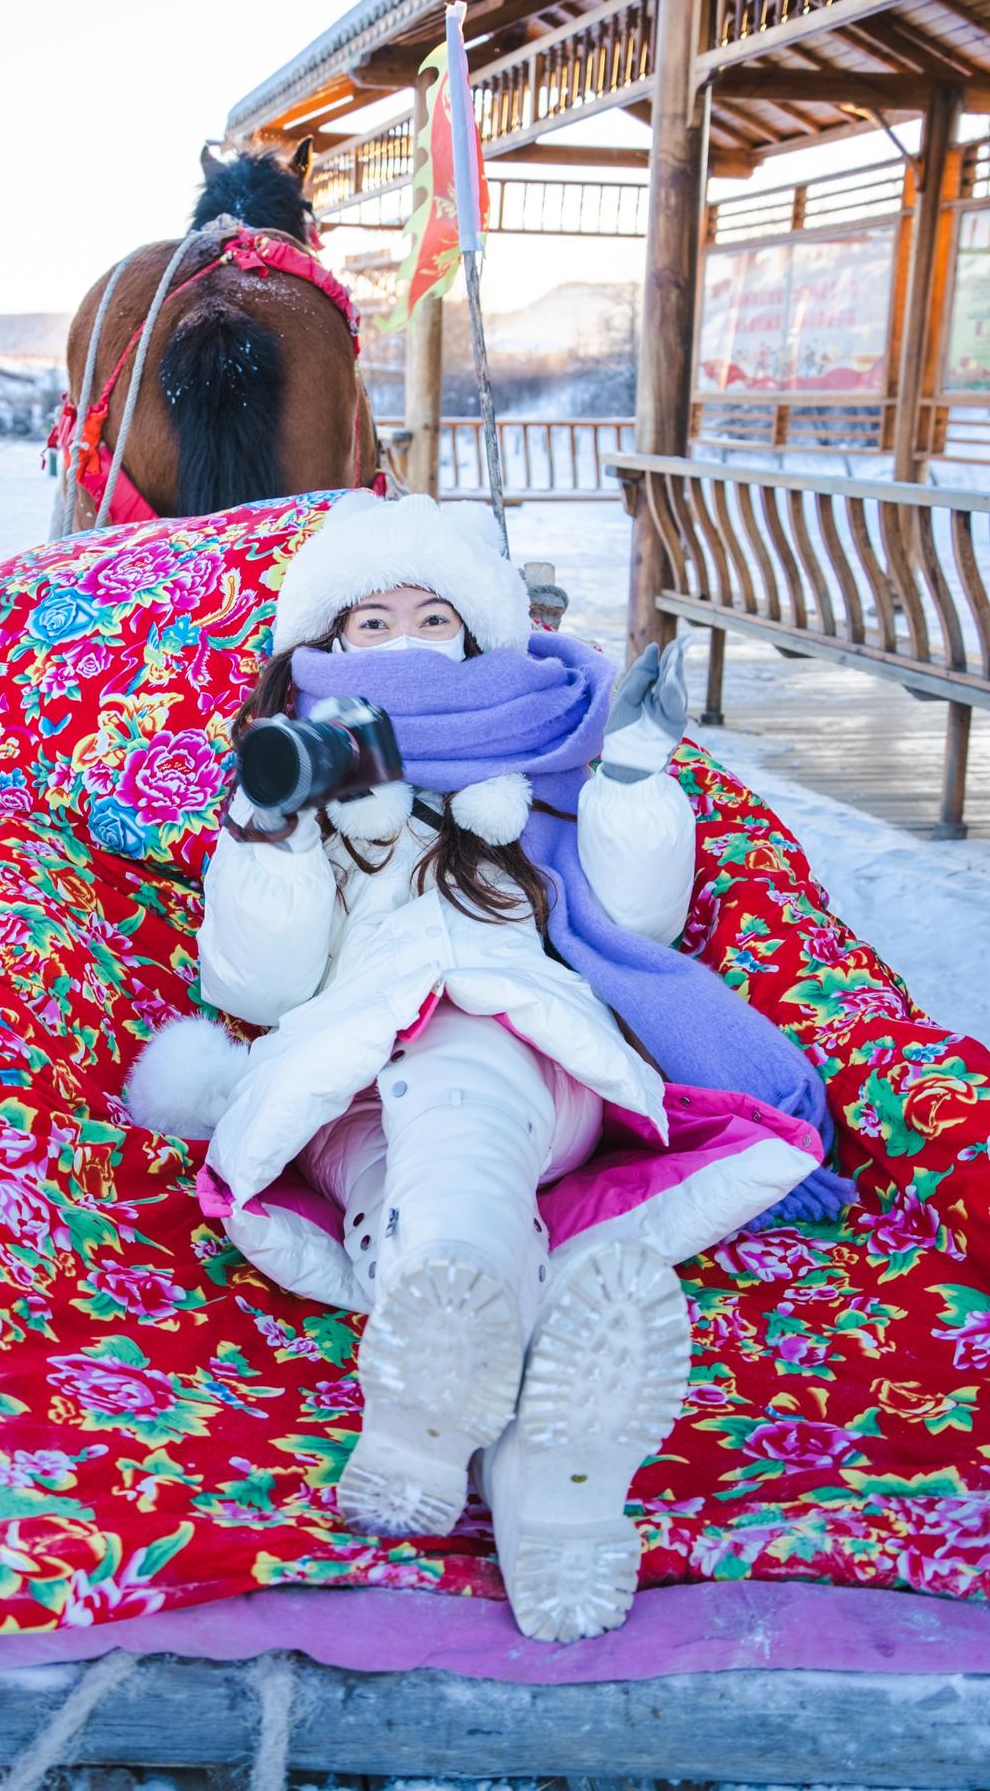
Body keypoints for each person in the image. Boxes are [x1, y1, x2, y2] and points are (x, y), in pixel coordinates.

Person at [127, 493, 842, 1643]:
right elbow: (260, 987)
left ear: (474, 638)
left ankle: (431, 1386)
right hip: (347, 1075)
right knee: (400, 1180)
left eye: (433, 618)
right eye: (372, 621)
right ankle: (537, 1480)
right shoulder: (299, 767)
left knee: (464, 1068)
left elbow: (637, 924)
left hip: (531, 1050)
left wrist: (628, 777)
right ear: (326, 641)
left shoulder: (535, 763)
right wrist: (271, 829)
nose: (405, 642)